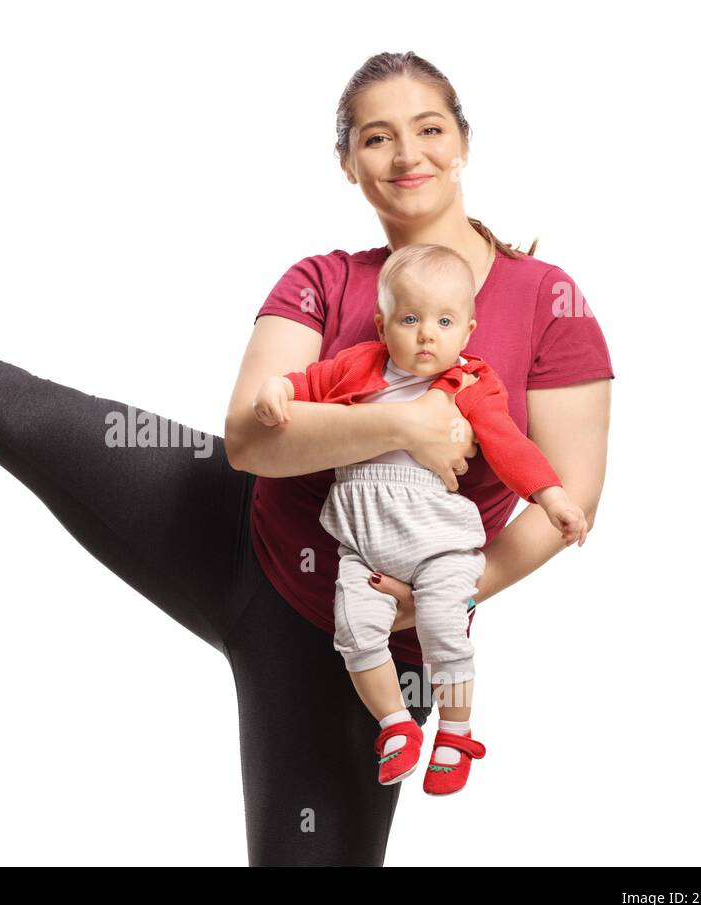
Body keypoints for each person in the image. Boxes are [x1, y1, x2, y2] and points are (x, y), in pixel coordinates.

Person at [0, 49, 613, 866]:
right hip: (226, 527)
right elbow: (249, 433)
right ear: (348, 164)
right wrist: (401, 428)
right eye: (376, 137)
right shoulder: (323, 280)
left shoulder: (548, 300)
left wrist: (447, 592)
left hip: (356, 643)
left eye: (428, 128)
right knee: (14, 407)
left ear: (463, 141)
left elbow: (569, 500)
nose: (407, 154)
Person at [252, 242, 589, 796]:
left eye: (444, 321)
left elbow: (509, 447)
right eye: (410, 319)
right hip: (363, 546)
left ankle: (456, 733)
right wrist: (276, 389)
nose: (427, 333)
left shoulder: (471, 384)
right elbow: (303, 383)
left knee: (442, 630)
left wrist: (551, 498)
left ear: (468, 329)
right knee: (355, 633)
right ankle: (395, 726)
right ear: (383, 328)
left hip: (439, 547)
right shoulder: (355, 366)